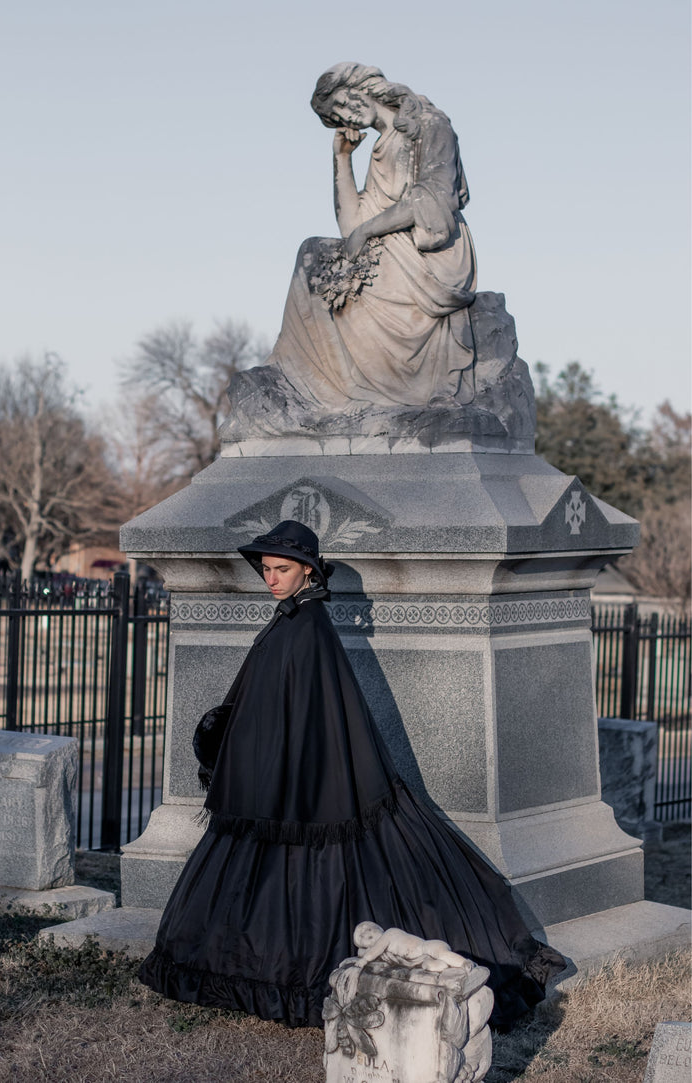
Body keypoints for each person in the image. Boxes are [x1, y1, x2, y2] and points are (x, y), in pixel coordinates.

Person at [137, 520, 564, 1028]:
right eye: (268, 569)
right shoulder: (290, 619)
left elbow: (315, 713)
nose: (272, 578)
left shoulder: (310, 627)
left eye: (283, 569)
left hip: (300, 777)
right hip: (273, 775)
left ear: (308, 571)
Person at [268, 63, 478, 410]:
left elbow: (435, 201)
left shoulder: (429, 125)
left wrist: (368, 230)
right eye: (336, 115)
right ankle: (307, 386)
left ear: (363, 85)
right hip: (391, 244)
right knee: (311, 253)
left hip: (430, 253)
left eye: (344, 100)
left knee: (324, 270)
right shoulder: (381, 147)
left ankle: (334, 394)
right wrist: (342, 159)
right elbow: (351, 228)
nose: (346, 112)